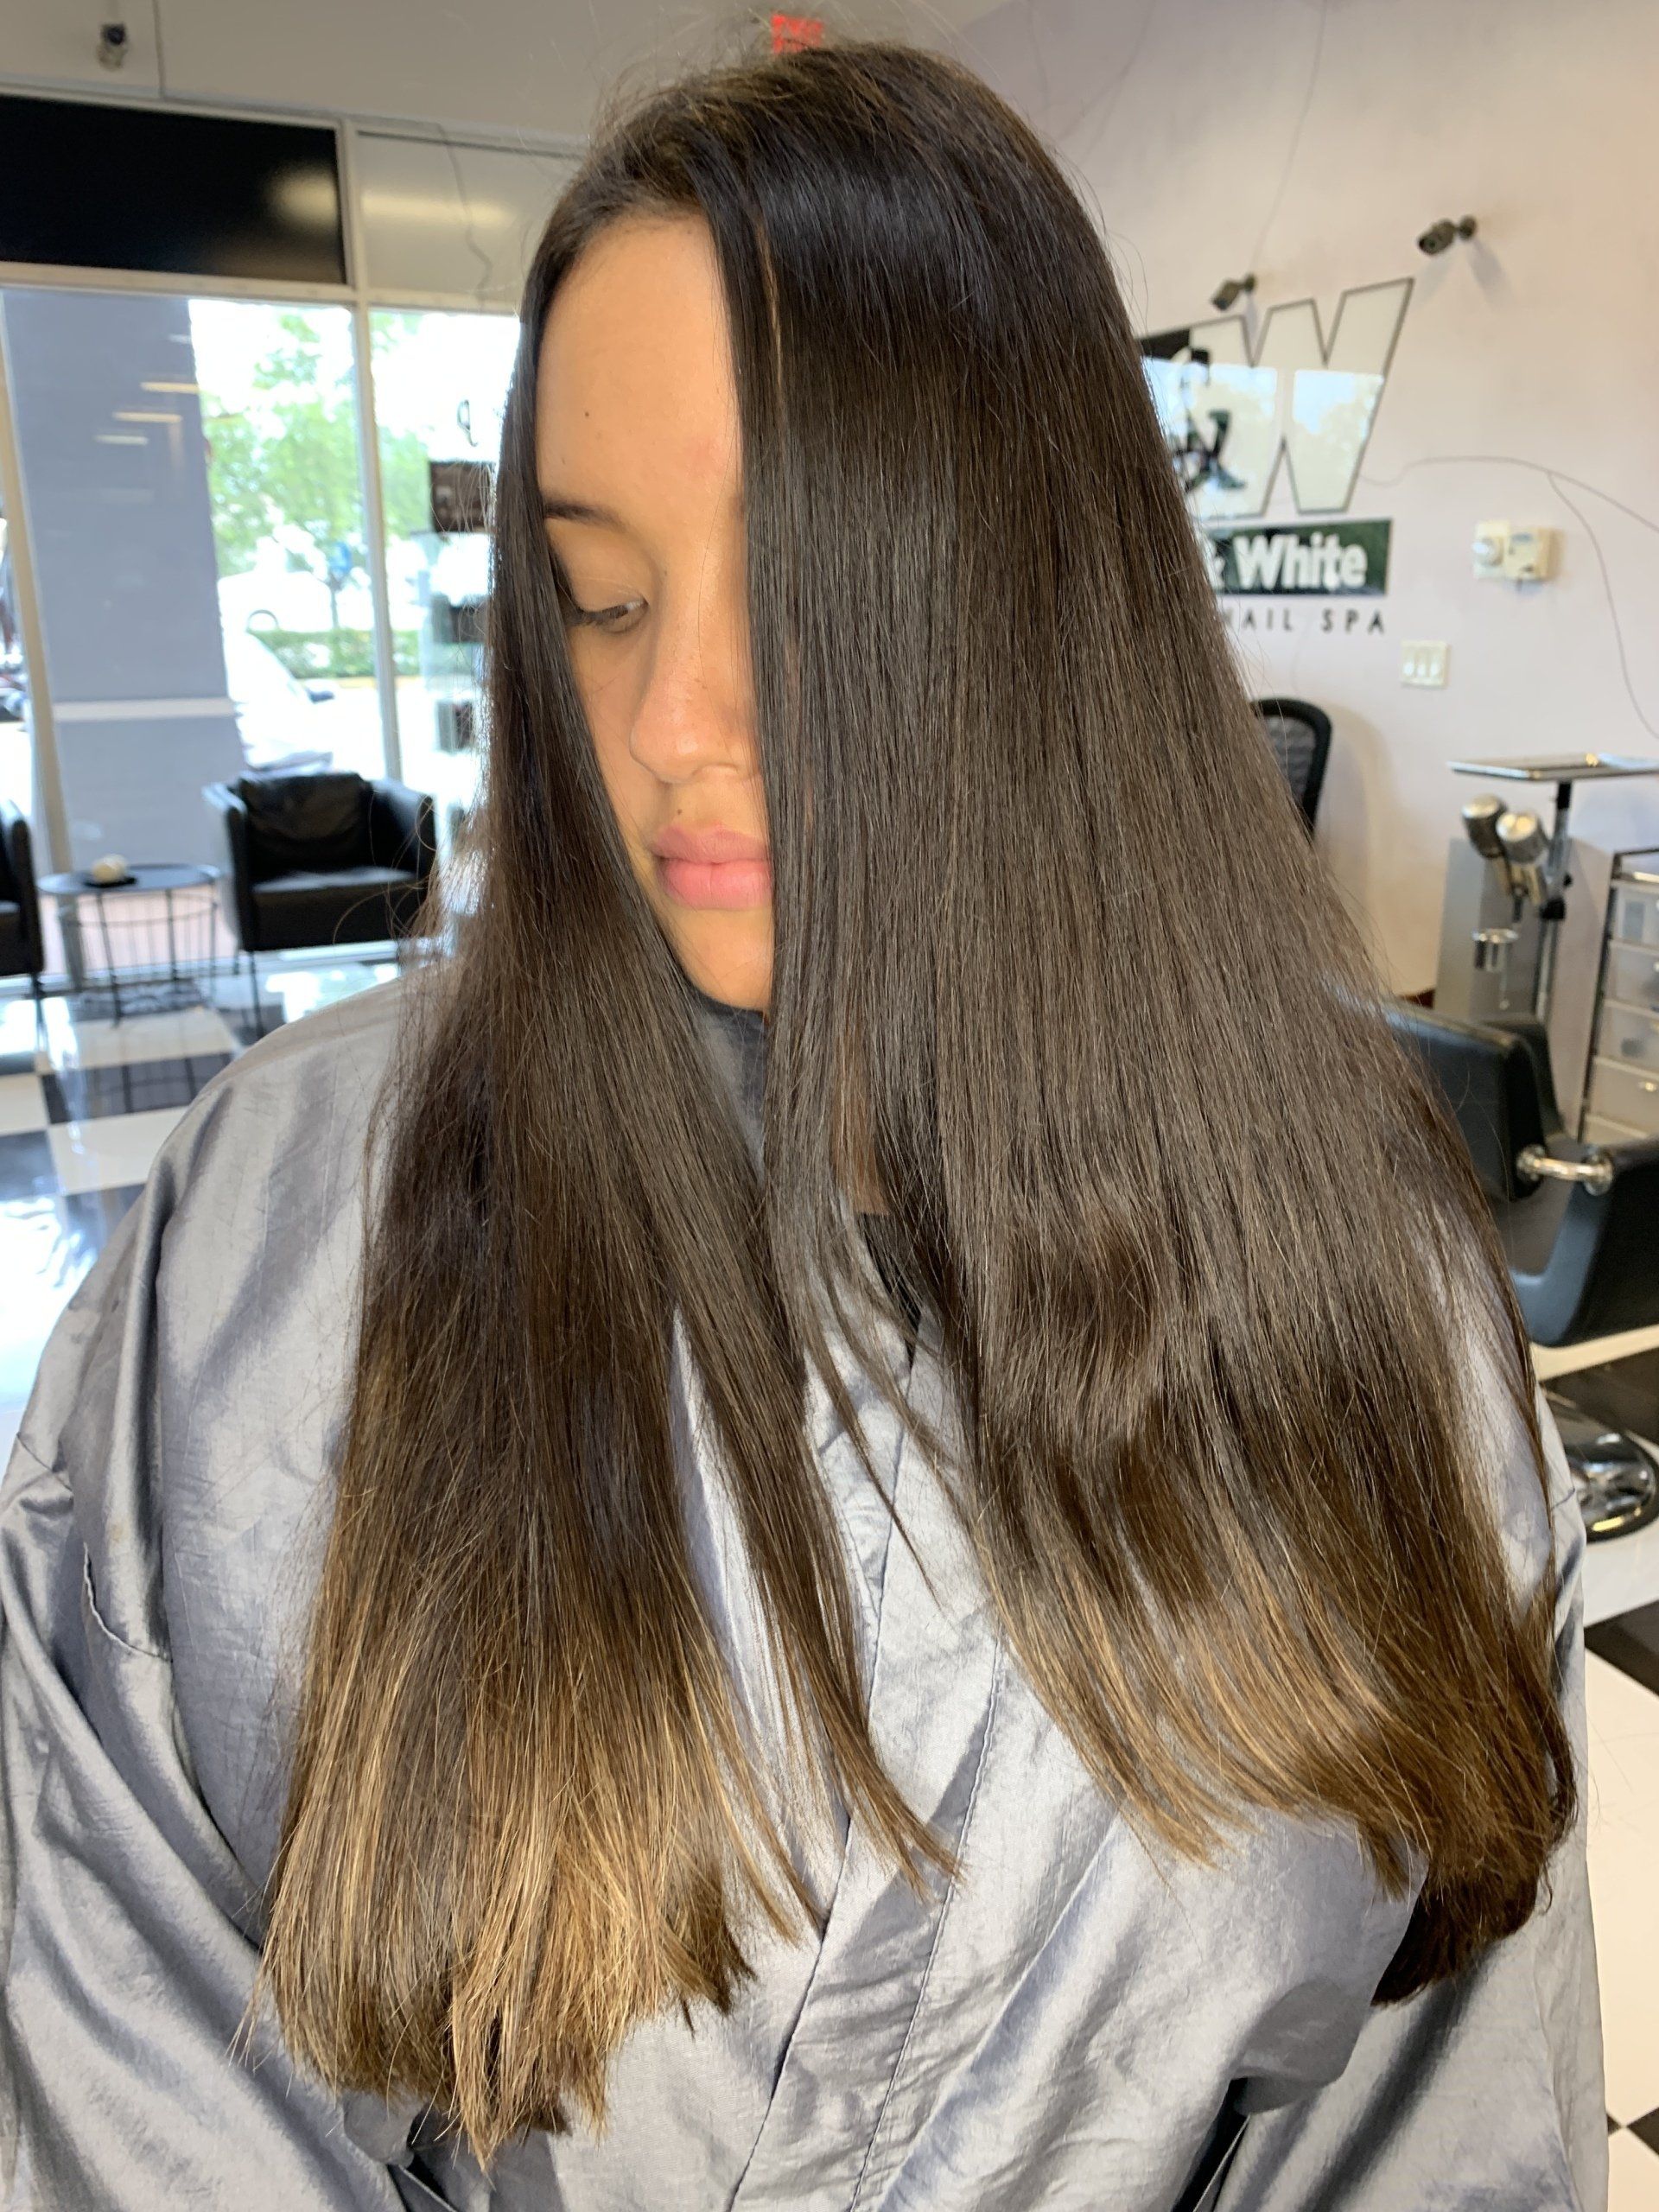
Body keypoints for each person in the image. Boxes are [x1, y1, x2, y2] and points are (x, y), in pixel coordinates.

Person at [0, 39, 1602, 2212]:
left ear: (1036, 596)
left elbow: (1435, 2128)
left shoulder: (1369, 1296)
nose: (669, 724)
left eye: (795, 586)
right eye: (601, 588)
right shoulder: (269, 1234)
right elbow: (125, 2083)